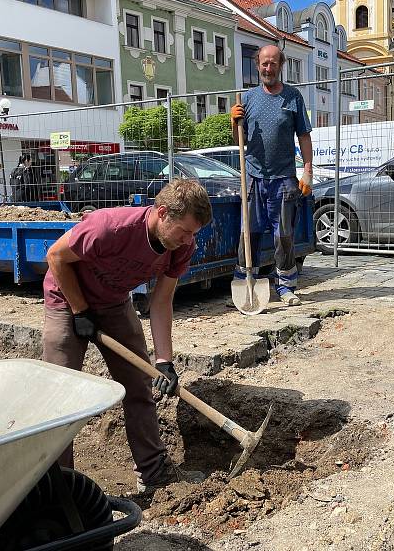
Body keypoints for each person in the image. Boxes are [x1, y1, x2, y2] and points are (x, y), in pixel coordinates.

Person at [41, 179, 213, 493]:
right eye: (185, 231)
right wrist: (80, 311)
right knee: (59, 397)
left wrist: (165, 361)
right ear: (162, 213)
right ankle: (59, 487)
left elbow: (161, 302)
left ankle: (153, 473)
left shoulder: (180, 247)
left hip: (114, 303)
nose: (189, 240)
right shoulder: (110, 228)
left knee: (139, 386)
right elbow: (55, 256)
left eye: (194, 233)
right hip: (66, 300)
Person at [230, 44, 314, 307]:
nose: (268, 68)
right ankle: (245, 283)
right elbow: (239, 141)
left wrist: (308, 170)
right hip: (254, 177)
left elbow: (303, 135)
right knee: (249, 233)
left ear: (281, 66)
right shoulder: (248, 99)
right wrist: (234, 122)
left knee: (284, 235)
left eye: (273, 63)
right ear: (257, 66)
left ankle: (286, 286)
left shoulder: (292, 97)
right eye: (264, 63)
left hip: (285, 178)